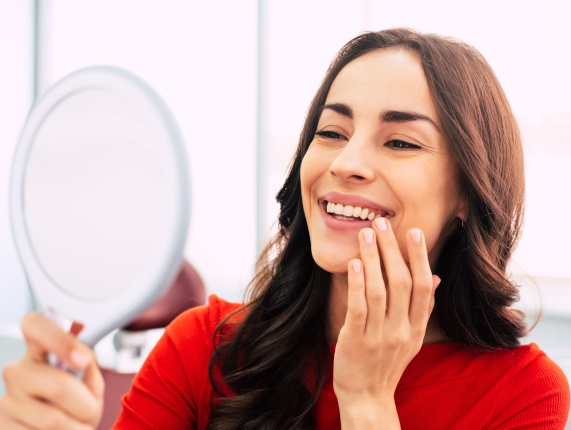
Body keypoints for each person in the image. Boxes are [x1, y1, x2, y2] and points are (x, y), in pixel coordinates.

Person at [1, 27, 569, 429]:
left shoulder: (523, 396)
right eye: (330, 133)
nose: (346, 162)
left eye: (400, 141)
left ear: (468, 194)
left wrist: (367, 402)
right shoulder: (201, 349)